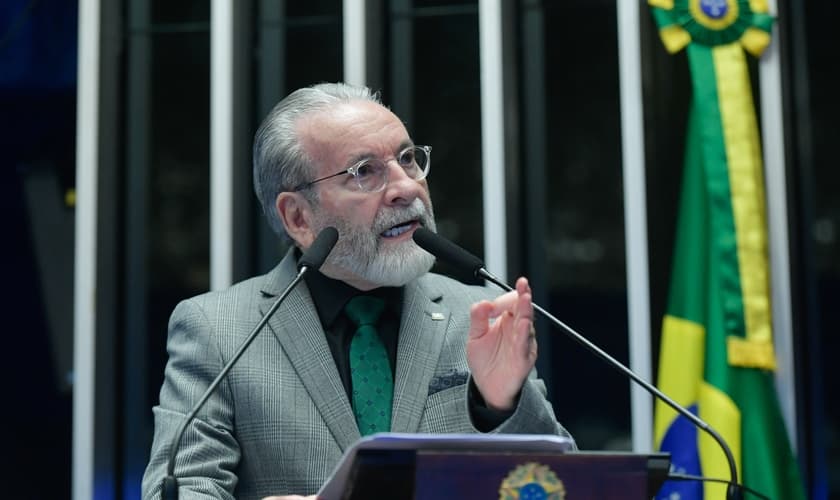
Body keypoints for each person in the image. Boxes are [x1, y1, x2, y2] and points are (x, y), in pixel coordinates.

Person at [141, 82, 575, 500]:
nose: (406, 188)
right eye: (364, 172)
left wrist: (503, 405)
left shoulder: (477, 315)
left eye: (407, 159)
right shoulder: (219, 330)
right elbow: (181, 487)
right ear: (297, 217)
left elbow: (567, 486)